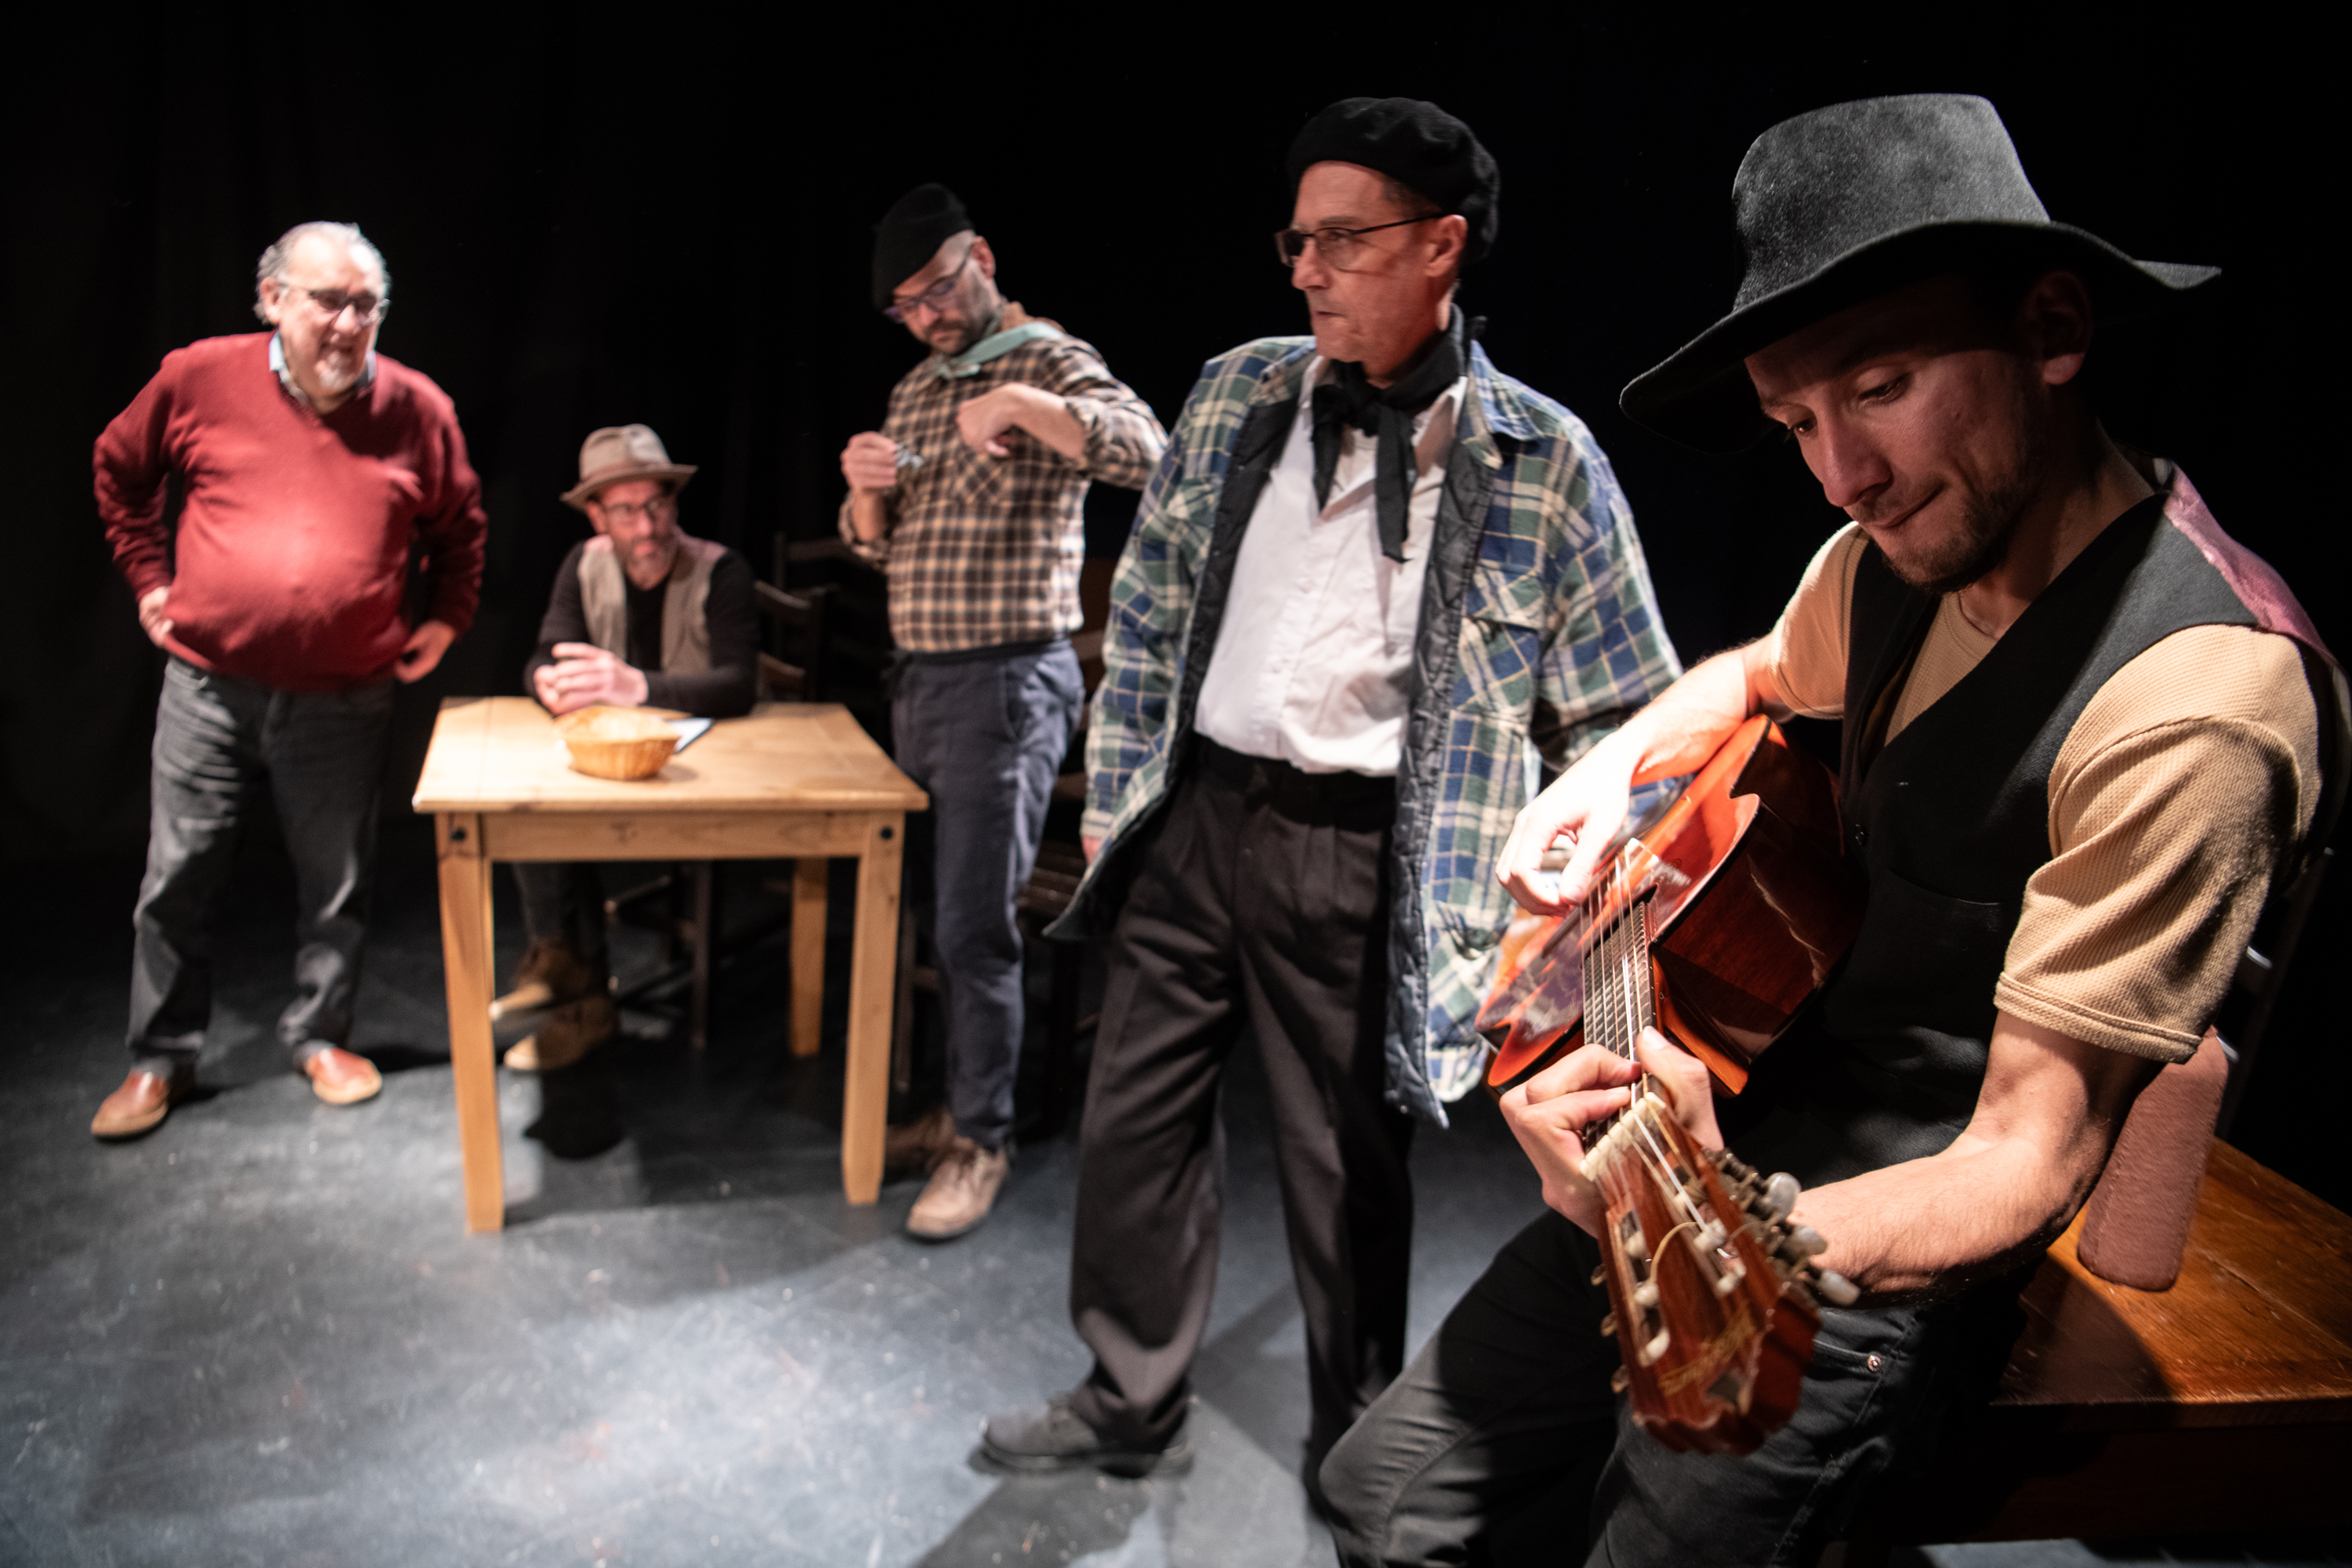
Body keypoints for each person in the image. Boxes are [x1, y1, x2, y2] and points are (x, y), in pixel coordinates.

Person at [1318, 94, 2346, 1567]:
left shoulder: (2198, 705)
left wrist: (1713, 1231)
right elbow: (1752, 674)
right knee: (1385, 1496)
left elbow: (2028, 1158)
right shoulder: (1889, 557)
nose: (1842, 477)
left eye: (1881, 387)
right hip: (1752, 1104)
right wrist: (1603, 781)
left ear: (2056, 329)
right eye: (1797, 424)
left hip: (1907, 1230)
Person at [980, 99, 1681, 1489]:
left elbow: (1627, 719)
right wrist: (1123, 797)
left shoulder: (1543, 462)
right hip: (1196, 820)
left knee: (1344, 1166)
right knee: (1132, 1127)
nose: (1305, 269)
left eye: (1342, 240)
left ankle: (1353, 1439)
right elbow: (1153, 605)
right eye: (1296, 240)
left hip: (1363, 856)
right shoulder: (1238, 392)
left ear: (1442, 246)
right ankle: (1129, 1397)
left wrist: (1558, 915)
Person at [90, 220, 487, 1139]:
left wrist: (447, 617)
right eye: (328, 301)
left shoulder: (417, 406)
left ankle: (319, 1035)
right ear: (272, 300)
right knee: (178, 876)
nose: (348, 323)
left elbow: (460, 524)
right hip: (209, 686)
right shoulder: (199, 376)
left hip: (345, 695)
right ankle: (160, 1056)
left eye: (366, 305)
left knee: (336, 881)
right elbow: (120, 470)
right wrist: (149, 579)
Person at [837, 183, 1167, 1241]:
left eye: (938, 290)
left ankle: (982, 1137)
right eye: (906, 307)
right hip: (920, 684)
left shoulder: (1048, 359)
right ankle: (956, 1108)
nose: (927, 317)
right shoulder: (916, 388)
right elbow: (878, 546)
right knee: (936, 915)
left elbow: (1151, 454)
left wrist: (1028, 407)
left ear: (980, 257)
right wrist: (864, 493)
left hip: (1006, 684)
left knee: (975, 926)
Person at [488, 424, 759, 1073]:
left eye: (657, 505)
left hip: (705, 775)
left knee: (560, 825)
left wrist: (636, 686)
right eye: (626, 510)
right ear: (597, 516)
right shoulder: (582, 564)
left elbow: (738, 685)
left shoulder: (721, 569)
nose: (646, 526)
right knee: (530, 808)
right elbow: (545, 653)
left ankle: (577, 991)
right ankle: (567, 970)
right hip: (617, 765)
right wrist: (546, 683)